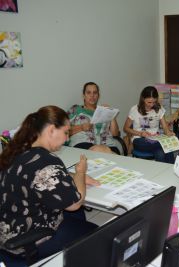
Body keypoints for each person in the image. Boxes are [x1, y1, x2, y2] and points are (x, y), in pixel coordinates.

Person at [0, 106, 98, 262]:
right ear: (52, 130)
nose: (67, 138)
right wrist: (80, 173)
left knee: (78, 218)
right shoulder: (47, 161)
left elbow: (34, 175)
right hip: (27, 240)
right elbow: (75, 203)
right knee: (96, 232)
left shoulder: (15, 151)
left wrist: (70, 175)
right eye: (66, 132)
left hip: (6, 229)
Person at [123, 86, 175, 163]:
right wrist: (140, 133)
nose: (151, 105)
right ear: (143, 99)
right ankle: (171, 170)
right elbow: (125, 128)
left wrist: (169, 134)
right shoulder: (135, 109)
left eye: (154, 102)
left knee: (160, 152)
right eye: (149, 102)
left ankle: (165, 173)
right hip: (139, 140)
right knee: (166, 146)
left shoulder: (159, 108)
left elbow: (165, 128)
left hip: (155, 139)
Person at [67, 82, 120, 154]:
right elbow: (65, 131)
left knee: (107, 150)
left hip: (107, 145)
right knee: (100, 151)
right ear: (84, 96)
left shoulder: (103, 110)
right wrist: (81, 127)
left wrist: (111, 114)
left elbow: (115, 134)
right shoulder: (75, 109)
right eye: (88, 93)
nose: (92, 95)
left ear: (98, 95)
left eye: (95, 93)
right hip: (84, 144)